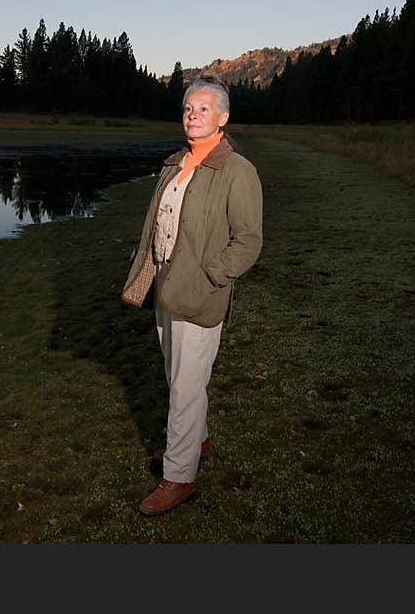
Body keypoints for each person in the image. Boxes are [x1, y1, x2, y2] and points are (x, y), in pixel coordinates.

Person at [121, 74, 263, 516]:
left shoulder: (237, 170)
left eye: (203, 109)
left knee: (184, 386)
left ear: (222, 117)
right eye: (188, 108)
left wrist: (210, 277)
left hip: (199, 291)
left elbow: (248, 241)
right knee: (176, 373)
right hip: (165, 283)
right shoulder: (174, 163)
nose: (193, 116)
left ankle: (179, 477)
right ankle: (195, 439)